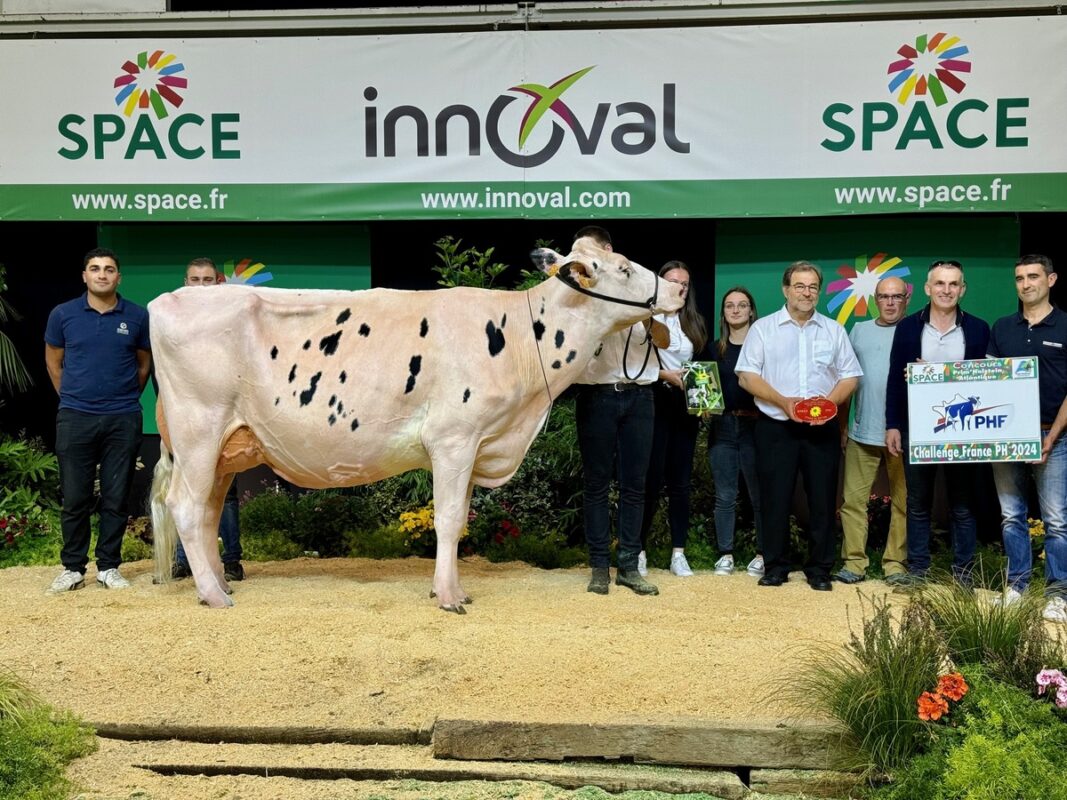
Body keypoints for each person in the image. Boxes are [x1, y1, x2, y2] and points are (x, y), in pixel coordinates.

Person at [736, 261, 861, 591]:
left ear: (818, 292)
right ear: (786, 289)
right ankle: (776, 565)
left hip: (822, 429)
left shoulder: (834, 330)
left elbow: (850, 376)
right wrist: (783, 402)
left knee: (822, 500)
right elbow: (747, 376)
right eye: (800, 286)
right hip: (776, 426)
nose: (807, 293)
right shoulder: (763, 329)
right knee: (774, 499)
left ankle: (820, 568)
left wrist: (828, 406)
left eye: (812, 287)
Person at [44, 247, 151, 593]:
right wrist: (76, 399)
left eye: (108, 269)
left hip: (123, 418)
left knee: (116, 498)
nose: (102, 274)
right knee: (75, 498)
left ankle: (108, 567)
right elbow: (54, 364)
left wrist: (120, 399)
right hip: (75, 418)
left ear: (118, 277)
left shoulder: (136, 316)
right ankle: (73, 568)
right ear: (84, 276)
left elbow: (143, 366)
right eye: (95, 268)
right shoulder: (63, 315)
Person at [885, 260, 990, 586]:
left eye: (954, 284)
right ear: (928, 289)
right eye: (940, 284)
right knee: (917, 503)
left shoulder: (978, 328)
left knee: (962, 504)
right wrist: (893, 424)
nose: (947, 290)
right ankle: (918, 571)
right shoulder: (907, 327)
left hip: (963, 429)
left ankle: (964, 575)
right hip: (917, 428)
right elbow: (894, 378)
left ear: (962, 289)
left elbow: (986, 381)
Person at [573, 225, 661, 596]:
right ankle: (598, 567)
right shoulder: (580, 296)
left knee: (634, 486)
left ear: (608, 250)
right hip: (597, 396)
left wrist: (645, 316)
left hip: (640, 396)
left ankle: (628, 565)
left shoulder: (640, 288)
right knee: (595, 485)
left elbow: (666, 341)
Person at [987, 255, 1067, 622]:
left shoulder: (1065, 325)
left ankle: (1057, 593)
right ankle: (1016, 586)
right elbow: (988, 382)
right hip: (1006, 438)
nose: (1025, 284)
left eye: (1033, 276)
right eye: (1019, 277)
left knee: (1056, 519)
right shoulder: (1002, 327)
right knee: (1010, 516)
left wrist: (1051, 436)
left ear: (1051, 279)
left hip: (1054, 434)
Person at [170, 258, 245, 582]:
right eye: (194, 279)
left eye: (207, 280)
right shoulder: (170, 322)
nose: (200, 285)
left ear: (219, 283)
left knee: (224, 492)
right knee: (187, 487)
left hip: (227, 414)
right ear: (185, 283)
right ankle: (184, 560)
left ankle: (230, 560)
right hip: (186, 413)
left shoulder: (231, 323)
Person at [835, 277, 910, 585]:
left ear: (906, 299)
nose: (890, 302)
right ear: (875, 300)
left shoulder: (917, 330)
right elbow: (846, 380)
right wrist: (842, 425)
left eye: (896, 297)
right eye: (884, 296)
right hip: (862, 432)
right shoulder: (859, 331)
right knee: (852, 501)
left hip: (903, 435)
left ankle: (896, 565)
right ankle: (854, 563)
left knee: (904, 503)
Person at [638, 260, 708, 578]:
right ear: (661, 283)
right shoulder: (645, 319)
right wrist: (664, 374)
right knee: (650, 480)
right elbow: (634, 364)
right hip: (652, 401)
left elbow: (700, 371)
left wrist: (704, 397)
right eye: (672, 280)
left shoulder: (694, 322)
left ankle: (678, 553)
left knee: (680, 482)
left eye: (684, 282)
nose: (679, 286)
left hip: (684, 406)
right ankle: (637, 550)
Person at [708, 287, 765, 578]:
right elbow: (705, 390)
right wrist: (702, 405)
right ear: (724, 313)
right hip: (723, 427)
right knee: (725, 496)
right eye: (730, 305)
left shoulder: (764, 347)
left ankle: (762, 554)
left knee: (760, 495)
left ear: (752, 311)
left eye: (742, 305)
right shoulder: (714, 349)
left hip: (757, 426)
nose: (736, 310)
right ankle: (725, 554)